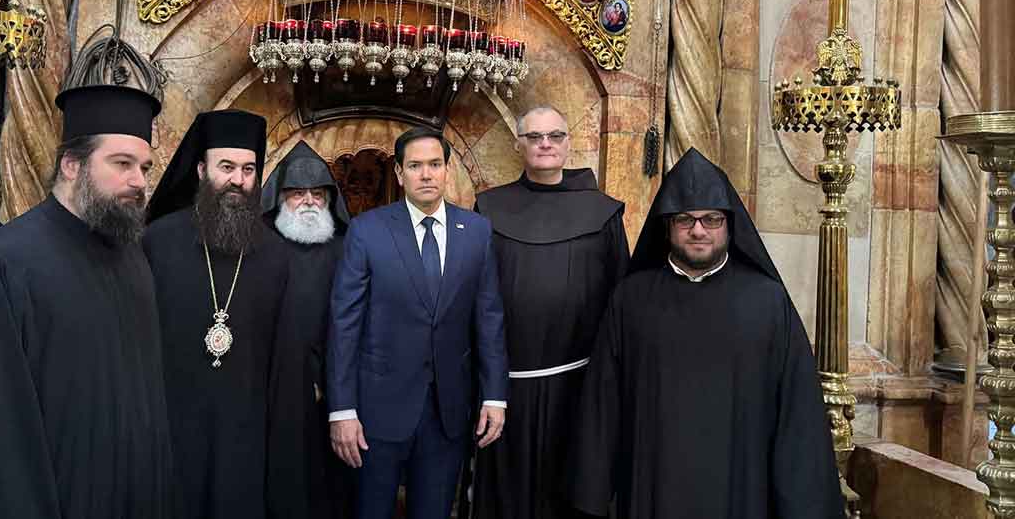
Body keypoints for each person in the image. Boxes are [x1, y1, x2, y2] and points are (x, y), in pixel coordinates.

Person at [0, 85, 174, 519]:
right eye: (122, 164)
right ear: (71, 165)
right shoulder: (0, 266)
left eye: (144, 167)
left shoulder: (132, 258)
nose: (139, 181)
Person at [567, 148, 844, 519]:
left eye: (711, 219)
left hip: (740, 488)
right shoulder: (631, 299)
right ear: (667, 226)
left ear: (729, 224)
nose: (698, 230)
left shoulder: (766, 302)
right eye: (685, 219)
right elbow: (603, 403)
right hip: (653, 483)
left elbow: (797, 412)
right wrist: (593, 491)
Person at [326, 126, 509, 519]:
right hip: (377, 414)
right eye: (415, 166)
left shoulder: (476, 231)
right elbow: (344, 325)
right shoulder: (366, 231)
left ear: (447, 170)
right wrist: (342, 410)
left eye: (435, 164)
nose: (426, 174)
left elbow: (489, 317)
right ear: (399, 173)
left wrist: (494, 396)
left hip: (448, 412)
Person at [467, 106, 630, 519]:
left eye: (555, 136)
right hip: (506, 389)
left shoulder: (603, 212)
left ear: (568, 143)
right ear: (518, 145)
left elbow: (620, 301)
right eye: (535, 137)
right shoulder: (489, 208)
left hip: (579, 388)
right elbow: (474, 300)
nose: (545, 144)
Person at [143, 109, 292, 519]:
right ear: (200, 170)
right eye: (226, 167)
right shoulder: (157, 242)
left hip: (245, 431)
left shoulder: (276, 254)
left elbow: (282, 359)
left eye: (248, 169)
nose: (238, 180)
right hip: (170, 425)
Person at [261, 141, 355, 519]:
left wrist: (323, 378)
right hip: (272, 387)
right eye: (298, 193)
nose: (309, 201)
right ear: (280, 197)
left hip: (330, 391)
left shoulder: (346, 248)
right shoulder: (260, 246)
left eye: (318, 193)